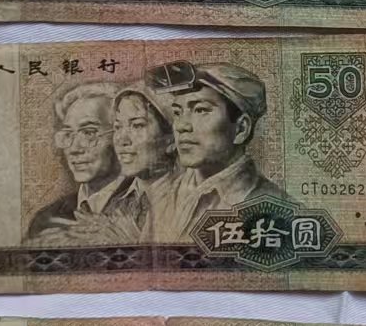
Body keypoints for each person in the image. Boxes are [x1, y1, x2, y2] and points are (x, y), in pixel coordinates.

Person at [144, 60, 293, 242]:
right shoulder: (163, 198)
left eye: (200, 110)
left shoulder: (279, 210)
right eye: (177, 112)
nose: (181, 126)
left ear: (241, 129)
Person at [27, 81, 125, 240]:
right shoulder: (46, 220)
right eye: (68, 134)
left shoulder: (146, 209)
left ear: (120, 136)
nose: (74, 149)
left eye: (89, 133)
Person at [108, 82, 177, 230]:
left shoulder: (187, 201)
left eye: (137, 125)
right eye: (117, 127)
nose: (121, 139)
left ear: (171, 139)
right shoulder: (114, 206)